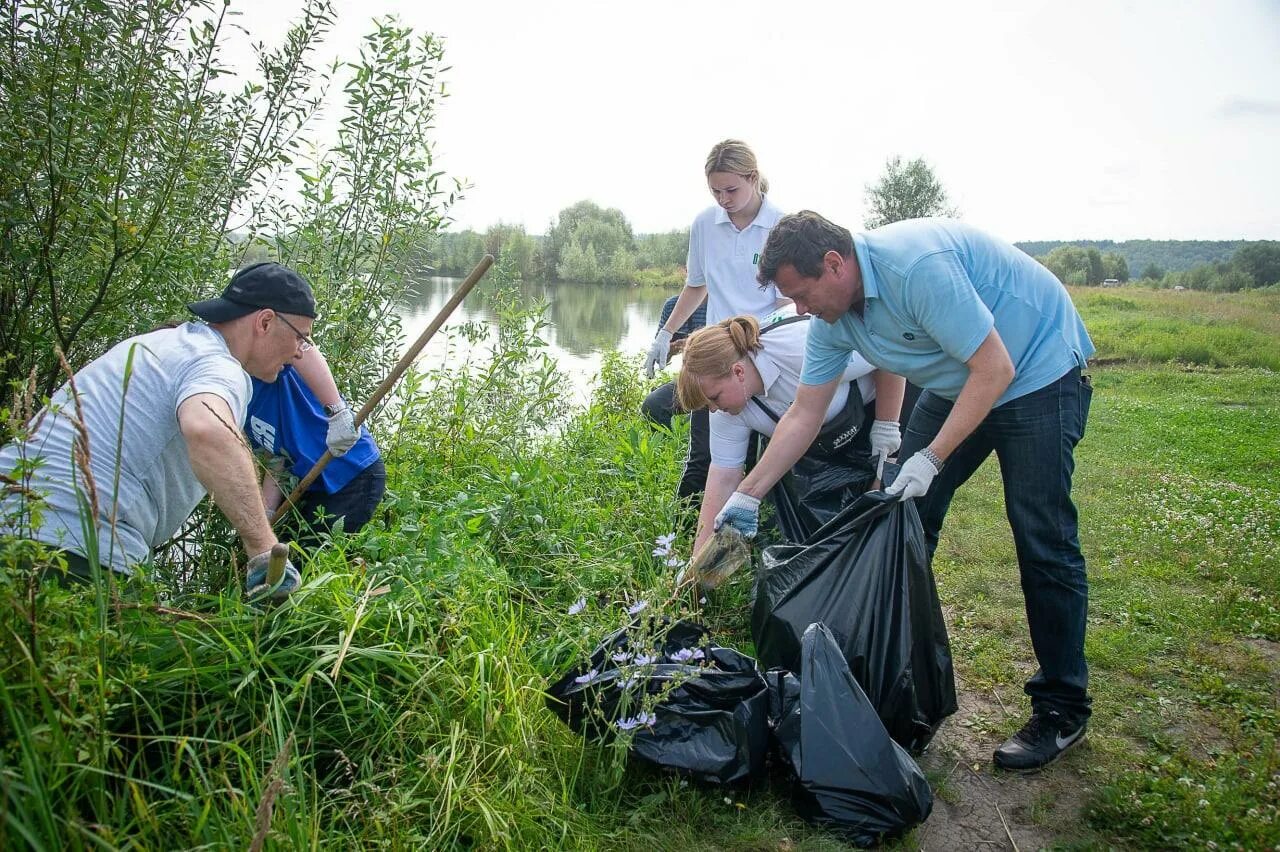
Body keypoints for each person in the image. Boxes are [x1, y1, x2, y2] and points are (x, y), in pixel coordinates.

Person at [718, 212, 1095, 774]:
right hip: (959, 377)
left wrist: (933, 455)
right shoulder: (831, 318)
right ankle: (888, 672)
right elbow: (802, 413)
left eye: (801, 294)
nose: (797, 310)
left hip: (1035, 370)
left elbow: (995, 367)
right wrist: (748, 493)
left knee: (1041, 535)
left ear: (834, 264)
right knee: (902, 516)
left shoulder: (915, 268)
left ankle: (1062, 709)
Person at [0, 262, 321, 600]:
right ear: (265, 321)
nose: (301, 352)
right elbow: (207, 428)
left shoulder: (163, 343)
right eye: (301, 337)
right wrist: (262, 547)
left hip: (16, 519)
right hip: (73, 547)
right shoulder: (217, 365)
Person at [675, 309, 899, 553]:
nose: (714, 410)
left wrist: (886, 428)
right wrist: (697, 567)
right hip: (818, 442)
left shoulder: (799, 349)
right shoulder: (728, 411)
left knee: (885, 513)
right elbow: (722, 478)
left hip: (880, 406)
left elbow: (887, 354)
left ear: (738, 372)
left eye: (714, 398)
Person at [642, 139, 790, 505]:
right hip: (716, 355)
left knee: (766, 456)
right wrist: (666, 332)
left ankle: (755, 537)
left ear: (753, 178)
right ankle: (681, 537)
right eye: (715, 191)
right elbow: (696, 286)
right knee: (705, 455)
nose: (723, 199)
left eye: (731, 189)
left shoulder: (781, 226)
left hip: (764, 354)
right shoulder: (706, 224)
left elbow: (788, 300)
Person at [246, 345, 385, 545]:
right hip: (308, 484)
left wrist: (338, 412)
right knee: (277, 555)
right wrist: (266, 514)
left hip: (352, 475)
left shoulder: (266, 366)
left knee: (307, 560)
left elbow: (300, 343)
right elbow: (276, 459)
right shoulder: (241, 405)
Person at [640, 294, 707, 430]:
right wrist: (669, 349)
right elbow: (663, 359)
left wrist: (691, 345)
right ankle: (665, 447)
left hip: (716, 376)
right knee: (653, 404)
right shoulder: (671, 305)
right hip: (689, 379)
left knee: (696, 423)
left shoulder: (719, 303)